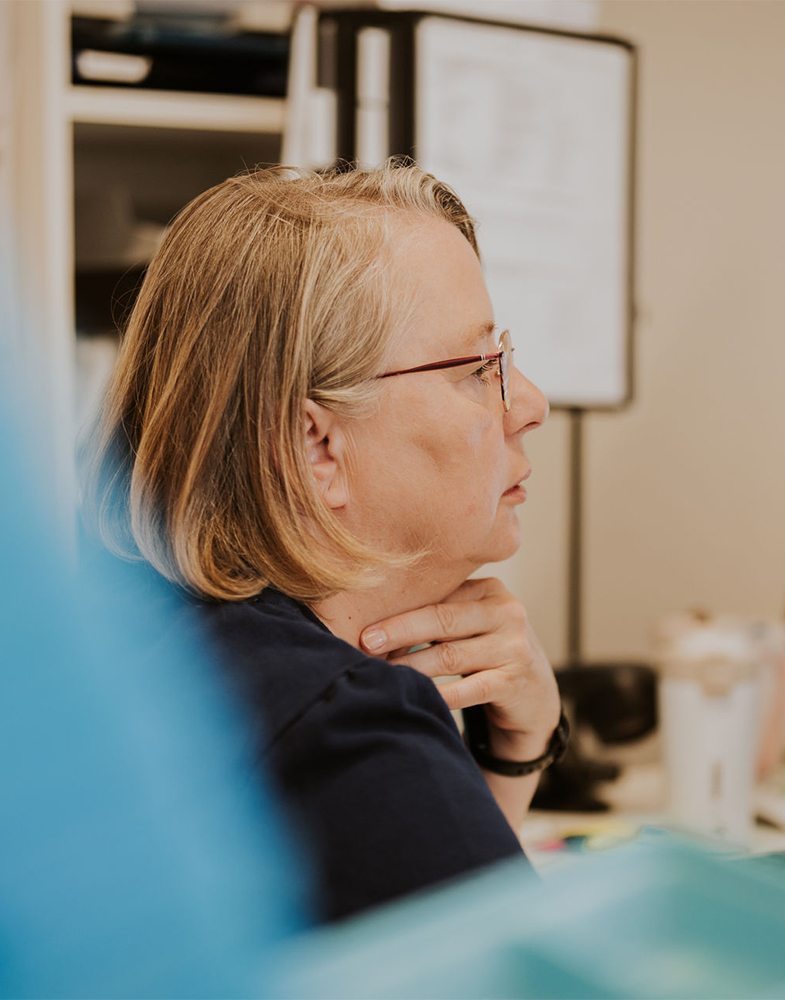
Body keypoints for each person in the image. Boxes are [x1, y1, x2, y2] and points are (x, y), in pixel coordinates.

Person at [84, 161, 563, 923]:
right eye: (478, 369)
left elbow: (426, 950)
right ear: (315, 445)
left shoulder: (158, 638)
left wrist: (514, 750)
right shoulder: (348, 733)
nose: (529, 403)